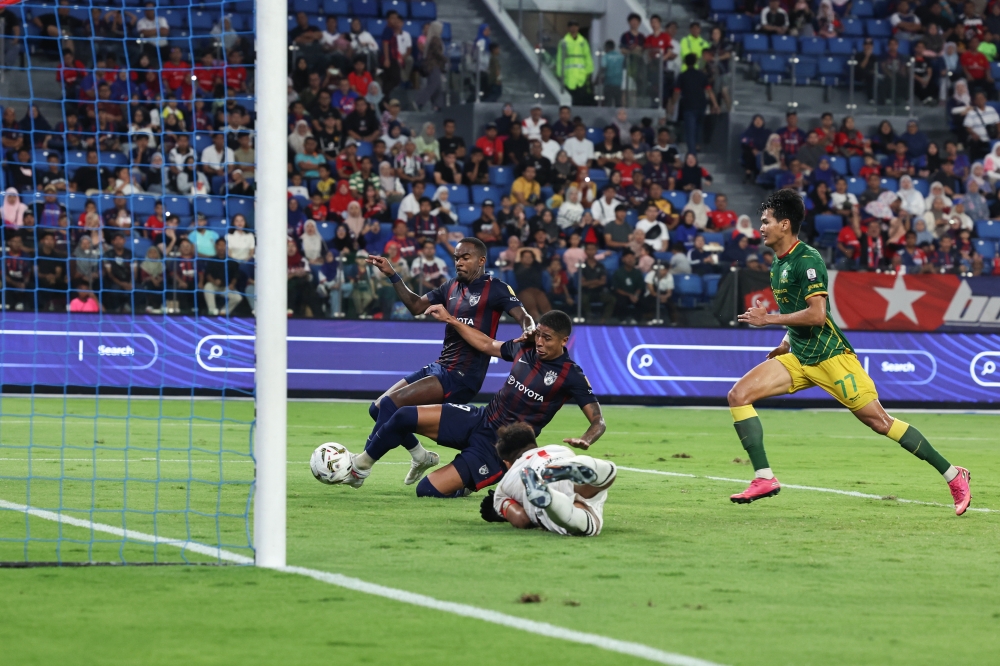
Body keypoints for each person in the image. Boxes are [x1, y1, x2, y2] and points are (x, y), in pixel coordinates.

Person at [726, 189, 972, 515]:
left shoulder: (808, 260)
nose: (761, 227)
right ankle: (764, 477)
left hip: (832, 357)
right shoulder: (778, 264)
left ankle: (954, 475)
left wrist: (767, 318)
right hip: (799, 356)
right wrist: (786, 341)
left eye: (766, 221)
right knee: (738, 395)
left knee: (881, 422)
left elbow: (816, 314)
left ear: (785, 225)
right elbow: (797, 311)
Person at [334, 308, 605, 498]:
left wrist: (587, 439)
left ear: (564, 340)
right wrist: (451, 319)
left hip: (499, 448)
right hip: (480, 419)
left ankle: (466, 484)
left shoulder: (572, 375)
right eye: (540, 335)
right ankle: (361, 468)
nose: (541, 342)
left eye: (548, 338)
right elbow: (487, 345)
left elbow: (598, 421)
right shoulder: (525, 347)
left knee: (426, 490)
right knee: (403, 415)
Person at [358, 238, 535, 476]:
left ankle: (359, 467)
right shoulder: (450, 287)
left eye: (465, 258)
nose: (459, 262)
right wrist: (393, 275)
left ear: (481, 260)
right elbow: (415, 306)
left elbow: (524, 316)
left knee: (391, 404)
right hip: (441, 367)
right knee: (378, 409)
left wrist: (529, 330)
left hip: (462, 375)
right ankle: (421, 456)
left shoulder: (496, 288)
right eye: (456, 258)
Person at [480, 422, 616, 536]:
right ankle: (594, 467)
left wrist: (501, 512)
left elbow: (522, 519)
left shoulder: (503, 486)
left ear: (506, 462)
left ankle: (548, 496)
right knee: (598, 483)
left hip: (541, 499)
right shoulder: (559, 449)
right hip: (558, 464)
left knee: (584, 523)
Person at [671, 54, 718, 154]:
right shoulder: (702, 75)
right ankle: (698, 145)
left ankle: (692, 152)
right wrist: (715, 104)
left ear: (685, 62)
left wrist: (673, 103)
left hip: (688, 105)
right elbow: (709, 91)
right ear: (695, 62)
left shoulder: (682, 76)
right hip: (701, 104)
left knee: (690, 130)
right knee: (699, 126)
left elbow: (677, 92)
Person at [557, 21, 594, 106]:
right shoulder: (563, 42)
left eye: (575, 26)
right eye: (571, 26)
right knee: (569, 99)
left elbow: (587, 56)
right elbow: (559, 58)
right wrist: (560, 73)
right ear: (568, 28)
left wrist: (589, 71)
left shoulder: (583, 42)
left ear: (578, 28)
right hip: (568, 76)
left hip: (581, 76)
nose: (573, 28)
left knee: (581, 99)